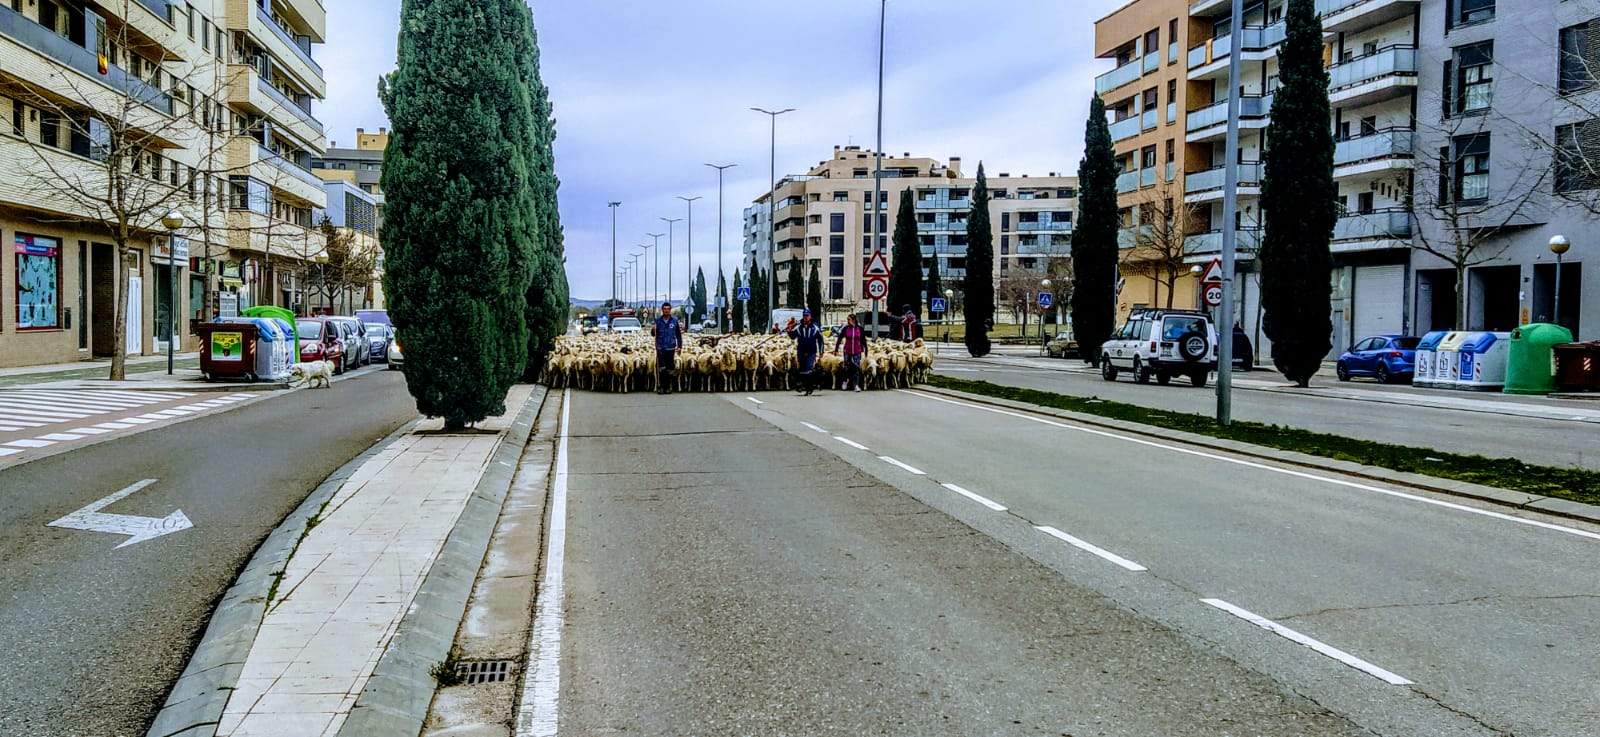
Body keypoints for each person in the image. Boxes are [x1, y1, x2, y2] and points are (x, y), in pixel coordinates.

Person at [785, 309, 825, 396]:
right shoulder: (799, 328)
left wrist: (821, 351)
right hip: (801, 351)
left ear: (810, 317)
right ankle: (803, 385)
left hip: (811, 351)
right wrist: (789, 331)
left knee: (809, 368)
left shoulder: (815, 328)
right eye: (804, 316)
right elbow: (793, 336)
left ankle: (809, 387)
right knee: (802, 369)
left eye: (807, 316)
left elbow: (820, 340)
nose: (806, 318)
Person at [651, 302, 684, 395]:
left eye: (668, 309)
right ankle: (661, 386)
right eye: (664, 309)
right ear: (662, 310)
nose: (666, 310)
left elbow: (678, 334)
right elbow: (653, 334)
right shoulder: (658, 321)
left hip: (671, 347)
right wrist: (653, 330)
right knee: (662, 368)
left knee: (670, 368)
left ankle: (668, 386)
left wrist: (680, 346)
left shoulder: (674, 321)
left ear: (670, 310)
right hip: (660, 347)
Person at [834, 312, 867, 392]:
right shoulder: (846, 329)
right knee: (846, 367)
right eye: (847, 320)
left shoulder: (860, 329)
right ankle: (845, 382)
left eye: (849, 319)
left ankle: (856, 385)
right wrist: (836, 349)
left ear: (853, 320)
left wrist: (866, 350)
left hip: (857, 351)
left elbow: (863, 340)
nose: (848, 321)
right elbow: (840, 338)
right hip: (847, 351)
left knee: (856, 368)